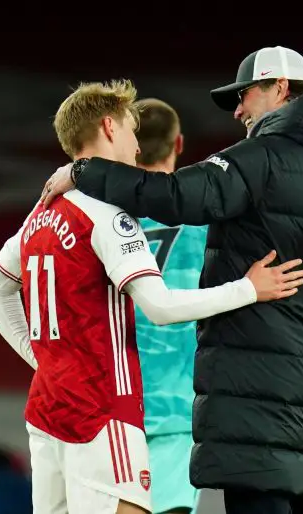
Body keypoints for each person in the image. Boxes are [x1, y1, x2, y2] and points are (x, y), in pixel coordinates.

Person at [40, 46, 303, 514]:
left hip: (251, 401)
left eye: (245, 94)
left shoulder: (259, 158)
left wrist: (85, 172)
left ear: (279, 88)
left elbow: (176, 195)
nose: (239, 109)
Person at [0, 79, 303, 514]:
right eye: (133, 131)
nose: (137, 146)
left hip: (47, 411)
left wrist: (42, 357)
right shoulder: (109, 216)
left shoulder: (43, 212)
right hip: (103, 411)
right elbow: (161, 307)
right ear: (110, 126)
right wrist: (249, 288)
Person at [131, 98, 204, 514]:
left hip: (107, 403)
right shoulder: (207, 217)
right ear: (179, 143)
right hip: (179, 405)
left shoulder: (96, 214)